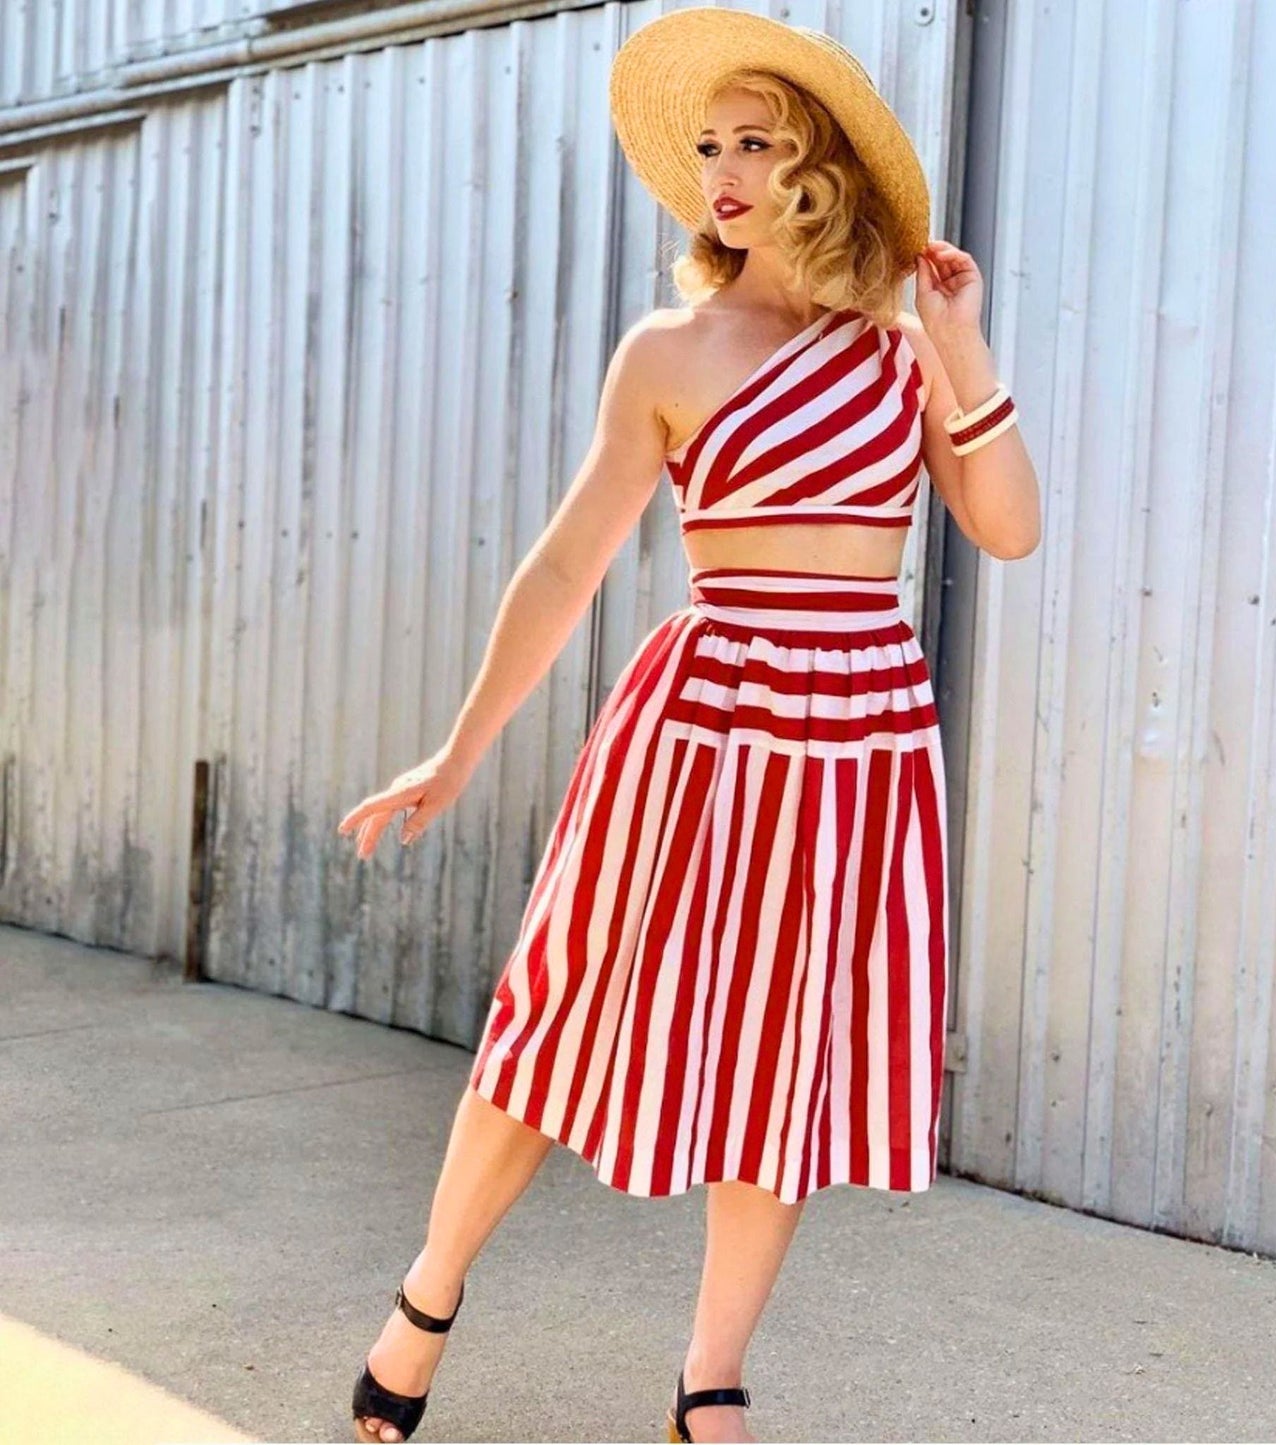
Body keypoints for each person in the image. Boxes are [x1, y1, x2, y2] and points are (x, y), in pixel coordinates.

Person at [339, 9, 1041, 1443]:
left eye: (755, 143)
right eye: (709, 145)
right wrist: (458, 747)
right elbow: (561, 567)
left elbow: (1009, 530)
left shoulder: (902, 351)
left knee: (783, 1056)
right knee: (563, 1005)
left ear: (820, 166)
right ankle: (426, 1294)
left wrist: (960, 347)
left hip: (857, 731)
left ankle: (708, 1377)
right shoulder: (667, 350)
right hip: (702, 716)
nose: (720, 171)